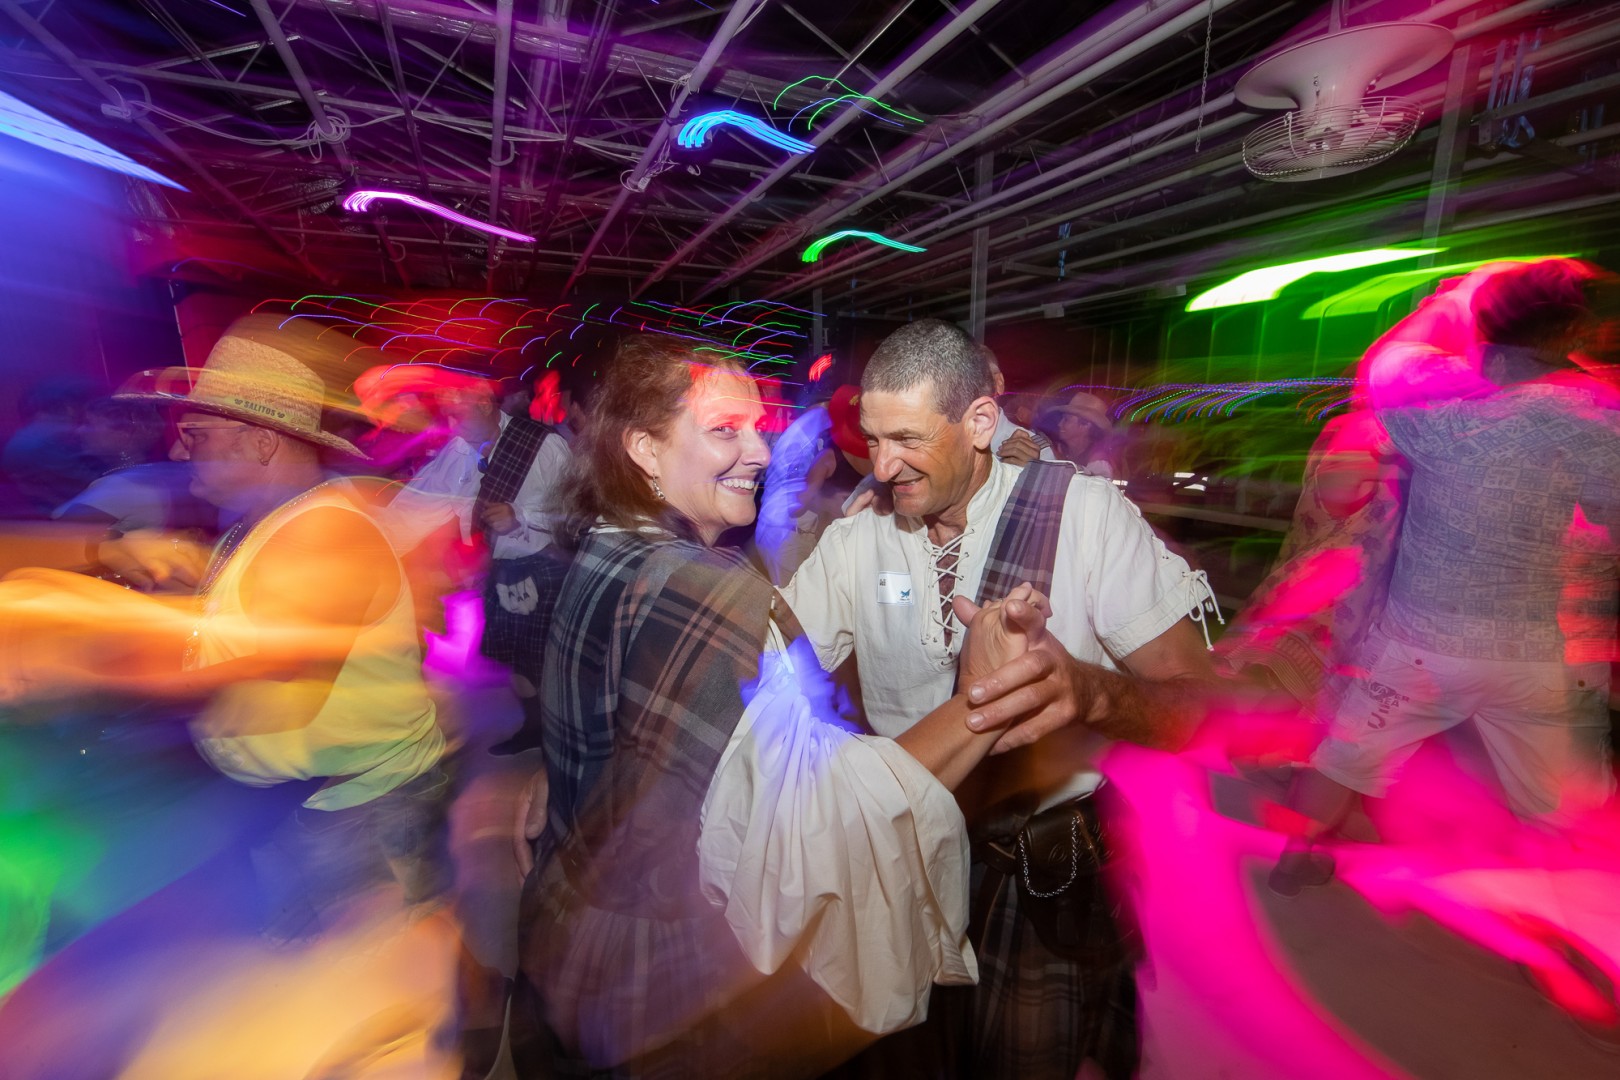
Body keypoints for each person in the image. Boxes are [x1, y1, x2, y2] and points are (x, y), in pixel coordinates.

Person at [507, 335, 1057, 1078]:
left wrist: (560, 771)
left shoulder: (606, 547)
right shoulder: (702, 588)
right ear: (643, 449)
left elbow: (618, 719)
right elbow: (832, 819)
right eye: (724, 429)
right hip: (658, 986)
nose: (761, 452)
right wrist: (978, 698)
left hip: (568, 938)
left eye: (757, 428)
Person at [782, 318, 1222, 1080]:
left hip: (1034, 874)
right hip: (907, 865)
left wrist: (1088, 693)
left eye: (907, 439)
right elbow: (769, 676)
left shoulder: (1082, 516)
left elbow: (1200, 709)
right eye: (873, 439)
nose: (880, 467)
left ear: (981, 422)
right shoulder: (858, 539)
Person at [0, 314, 453, 940]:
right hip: (305, 801)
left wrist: (69, 646)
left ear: (260, 442)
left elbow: (275, 655)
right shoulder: (270, 519)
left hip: (359, 813)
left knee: (362, 965)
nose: (177, 451)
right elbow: (247, 630)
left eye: (196, 434)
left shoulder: (325, 529)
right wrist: (165, 581)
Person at [1272, 258, 1620, 894]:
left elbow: (1387, 358)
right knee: (1558, 811)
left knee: (1345, 759)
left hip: (1420, 649)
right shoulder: (1598, 419)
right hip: (1535, 659)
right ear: (1568, 337)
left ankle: (1297, 857)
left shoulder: (1445, 407)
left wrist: (1453, 299)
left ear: (1488, 338)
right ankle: (1562, 916)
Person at [380, 370, 572, 757]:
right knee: (515, 659)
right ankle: (534, 728)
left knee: (549, 659)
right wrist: (375, 539)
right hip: (500, 571)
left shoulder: (543, 444)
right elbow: (421, 503)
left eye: (457, 412)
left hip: (547, 568)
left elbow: (575, 510)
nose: (450, 424)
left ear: (484, 403)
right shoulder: (459, 449)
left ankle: (566, 734)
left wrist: (521, 517)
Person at [979, 345, 1054, 468]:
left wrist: (1027, 474)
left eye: (975, 379)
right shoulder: (947, 442)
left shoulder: (1036, 449)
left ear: (998, 383)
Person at [1037, 387, 1116, 478]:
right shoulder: (1057, 448)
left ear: (1085, 425)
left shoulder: (1098, 463)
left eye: (1066, 419)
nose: (1059, 424)